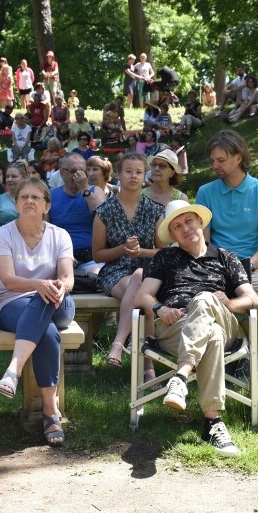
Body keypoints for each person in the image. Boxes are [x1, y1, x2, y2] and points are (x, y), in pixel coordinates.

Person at [134, 200, 258, 456]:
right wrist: (160, 309)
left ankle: (180, 377)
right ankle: (213, 423)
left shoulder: (226, 257)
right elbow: (142, 296)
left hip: (224, 322)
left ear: (200, 222)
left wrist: (230, 303)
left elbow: (251, 298)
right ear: (173, 234)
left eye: (189, 221)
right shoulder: (165, 257)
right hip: (176, 327)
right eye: (177, 226)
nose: (185, 228)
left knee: (204, 299)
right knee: (210, 334)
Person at [0, 178, 75, 445]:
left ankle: (13, 370)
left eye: (36, 197)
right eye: (24, 197)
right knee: (46, 332)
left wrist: (58, 287)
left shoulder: (59, 235)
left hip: (58, 303)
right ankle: (51, 411)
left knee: (47, 295)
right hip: (13, 304)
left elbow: (67, 278)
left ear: (46, 205)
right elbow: (9, 280)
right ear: (15, 204)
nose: (29, 201)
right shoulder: (2, 234)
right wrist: (39, 285)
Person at [196, 130, 258, 358]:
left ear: (238, 158)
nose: (215, 166)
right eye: (213, 161)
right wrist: (216, 267)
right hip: (216, 264)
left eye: (221, 160)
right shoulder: (206, 192)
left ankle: (240, 354)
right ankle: (227, 352)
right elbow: (204, 240)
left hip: (253, 264)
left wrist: (247, 266)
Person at [92, 153, 165, 369]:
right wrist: (122, 249)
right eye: (128, 171)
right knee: (142, 293)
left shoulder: (154, 210)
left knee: (141, 280)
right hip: (116, 272)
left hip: (149, 271)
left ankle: (118, 344)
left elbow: (163, 252)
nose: (133, 176)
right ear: (118, 175)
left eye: (139, 172)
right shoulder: (104, 211)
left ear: (144, 176)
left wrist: (141, 251)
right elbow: (98, 254)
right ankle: (148, 368)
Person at [48, 153, 106, 270]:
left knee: (95, 275)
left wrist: (85, 189)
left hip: (91, 258)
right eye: (73, 171)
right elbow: (43, 230)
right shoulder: (50, 195)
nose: (79, 176)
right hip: (60, 257)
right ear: (62, 173)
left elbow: (104, 217)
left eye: (82, 171)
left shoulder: (96, 191)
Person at [0, 161, 28, 229]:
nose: (9, 179)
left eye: (14, 176)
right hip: (3, 237)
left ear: (24, 178)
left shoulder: (33, 198)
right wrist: (6, 234)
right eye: (7, 176)